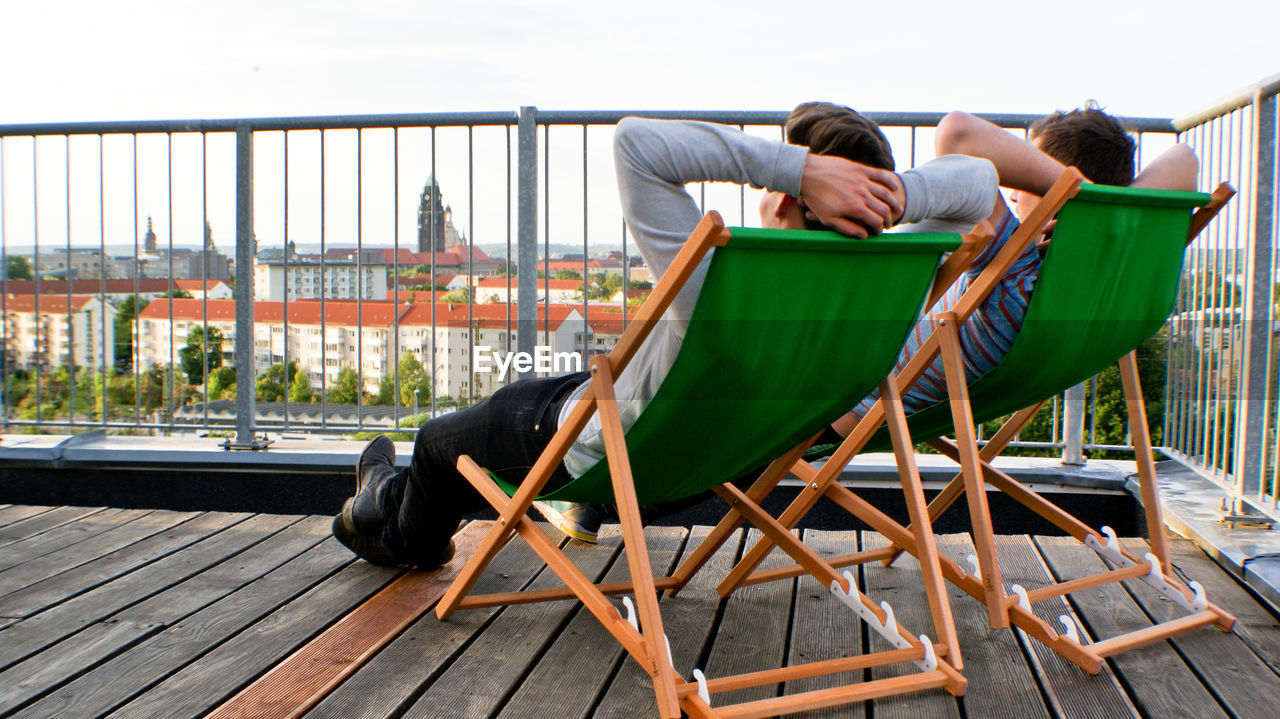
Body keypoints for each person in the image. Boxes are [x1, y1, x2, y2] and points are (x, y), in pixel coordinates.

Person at [334, 103, 1001, 567]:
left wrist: (800, 170)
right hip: (711, 464)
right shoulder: (891, 284)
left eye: (786, 176)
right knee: (527, 411)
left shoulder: (723, 275)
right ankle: (400, 500)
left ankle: (388, 513)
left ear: (792, 196)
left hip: (601, 453)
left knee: (436, 448)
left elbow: (635, 144)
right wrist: (894, 195)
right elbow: (980, 183)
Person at [828, 103, 1199, 435]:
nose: (1014, 193)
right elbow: (1184, 158)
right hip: (872, 402)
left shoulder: (1016, 273)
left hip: (830, 406)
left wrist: (1080, 200)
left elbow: (957, 132)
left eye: (1022, 176)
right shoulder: (1114, 286)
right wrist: (1106, 218)